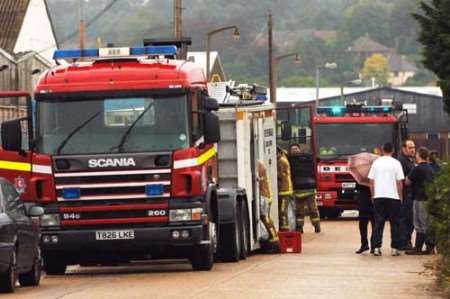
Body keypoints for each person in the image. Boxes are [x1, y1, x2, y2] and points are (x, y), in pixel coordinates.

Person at [368, 142, 404, 256]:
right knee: (395, 223)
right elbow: (399, 182)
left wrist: (373, 195)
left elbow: (371, 182)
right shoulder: (396, 163)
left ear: (382, 150)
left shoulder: (376, 163)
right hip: (393, 197)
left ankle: (377, 247)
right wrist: (400, 196)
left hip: (379, 196)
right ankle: (395, 248)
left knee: (379, 222)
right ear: (392, 151)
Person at [405, 147, 434, 255]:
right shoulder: (430, 168)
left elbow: (408, 181)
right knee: (427, 223)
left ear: (419, 155)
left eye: (416, 154)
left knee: (419, 224)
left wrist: (407, 176)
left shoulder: (417, 168)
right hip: (428, 198)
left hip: (419, 198)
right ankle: (430, 246)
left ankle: (417, 248)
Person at [289, 144, 321, 233]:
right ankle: (299, 228)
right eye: (293, 149)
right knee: (299, 210)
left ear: (299, 150)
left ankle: (317, 226)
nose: (294, 151)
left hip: (309, 188)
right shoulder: (289, 160)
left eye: (296, 149)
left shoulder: (307, 159)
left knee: (313, 209)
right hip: (298, 189)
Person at [257, 160, 280, 252]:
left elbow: (260, 179)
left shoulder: (259, 165)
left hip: (264, 196)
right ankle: (273, 241)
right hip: (265, 195)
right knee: (265, 218)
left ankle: (274, 242)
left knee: (265, 218)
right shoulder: (260, 164)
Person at [397, 139, 416, 250]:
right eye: (410, 148)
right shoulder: (401, 161)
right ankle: (404, 242)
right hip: (405, 194)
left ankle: (405, 240)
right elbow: (401, 180)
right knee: (406, 219)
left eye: (413, 147)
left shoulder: (410, 161)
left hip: (411, 194)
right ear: (404, 149)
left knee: (410, 219)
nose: (413, 150)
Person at [277, 146, 294, 231]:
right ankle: (284, 227)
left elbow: (281, 175)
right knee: (282, 210)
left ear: (279, 153)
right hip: (283, 189)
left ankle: (285, 229)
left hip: (284, 190)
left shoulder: (281, 161)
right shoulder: (282, 159)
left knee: (283, 210)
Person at [355, 184, 374, 254]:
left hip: (365, 198)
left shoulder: (361, 174)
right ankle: (371, 245)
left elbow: (357, 186)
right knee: (371, 223)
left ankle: (366, 244)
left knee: (364, 223)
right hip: (373, 197)